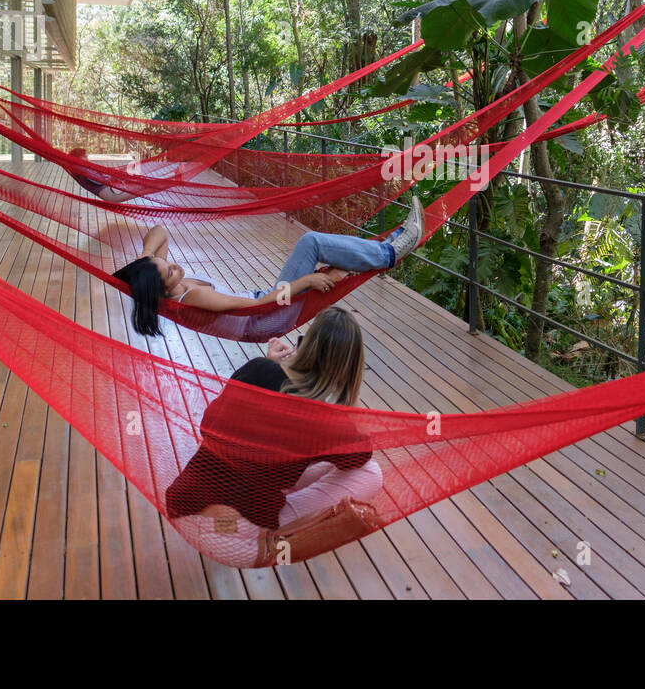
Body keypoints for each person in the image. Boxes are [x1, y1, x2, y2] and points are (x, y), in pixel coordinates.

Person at [165, 306, 384, 566]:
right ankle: (273, 527)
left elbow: (209, 424)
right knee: (370, 472)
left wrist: (271, 365)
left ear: (306, 345)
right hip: (235, 538)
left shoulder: (257, 368)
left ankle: (267, 496)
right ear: (350, 368)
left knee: (276, 458)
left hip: (183, 508)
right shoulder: (326, 420)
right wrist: (345, 404)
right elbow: (361, 457)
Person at [111, 192, 424, 337]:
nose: (176, 266)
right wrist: (306, 284)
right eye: (170, 271)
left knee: (333, 262)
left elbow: (159, 232)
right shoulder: (191, 297)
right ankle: (390, 253)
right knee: (312, 243)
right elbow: (258, 305)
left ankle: (384, 248)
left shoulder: (168, 287)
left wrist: (146, 257)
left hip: (265, 306)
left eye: (167, 264)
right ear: (163, 287)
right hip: (266, 315)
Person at [63, 147, 136, 202]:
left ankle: (139, 180)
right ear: (78, 158)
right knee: (139, 187)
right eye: (85, 156)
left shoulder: (80, 168)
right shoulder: (81, 169)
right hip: (109, 193)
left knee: (134, 182)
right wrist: (110, 177)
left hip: (109, 191)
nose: (87, 158)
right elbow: (99, 181)